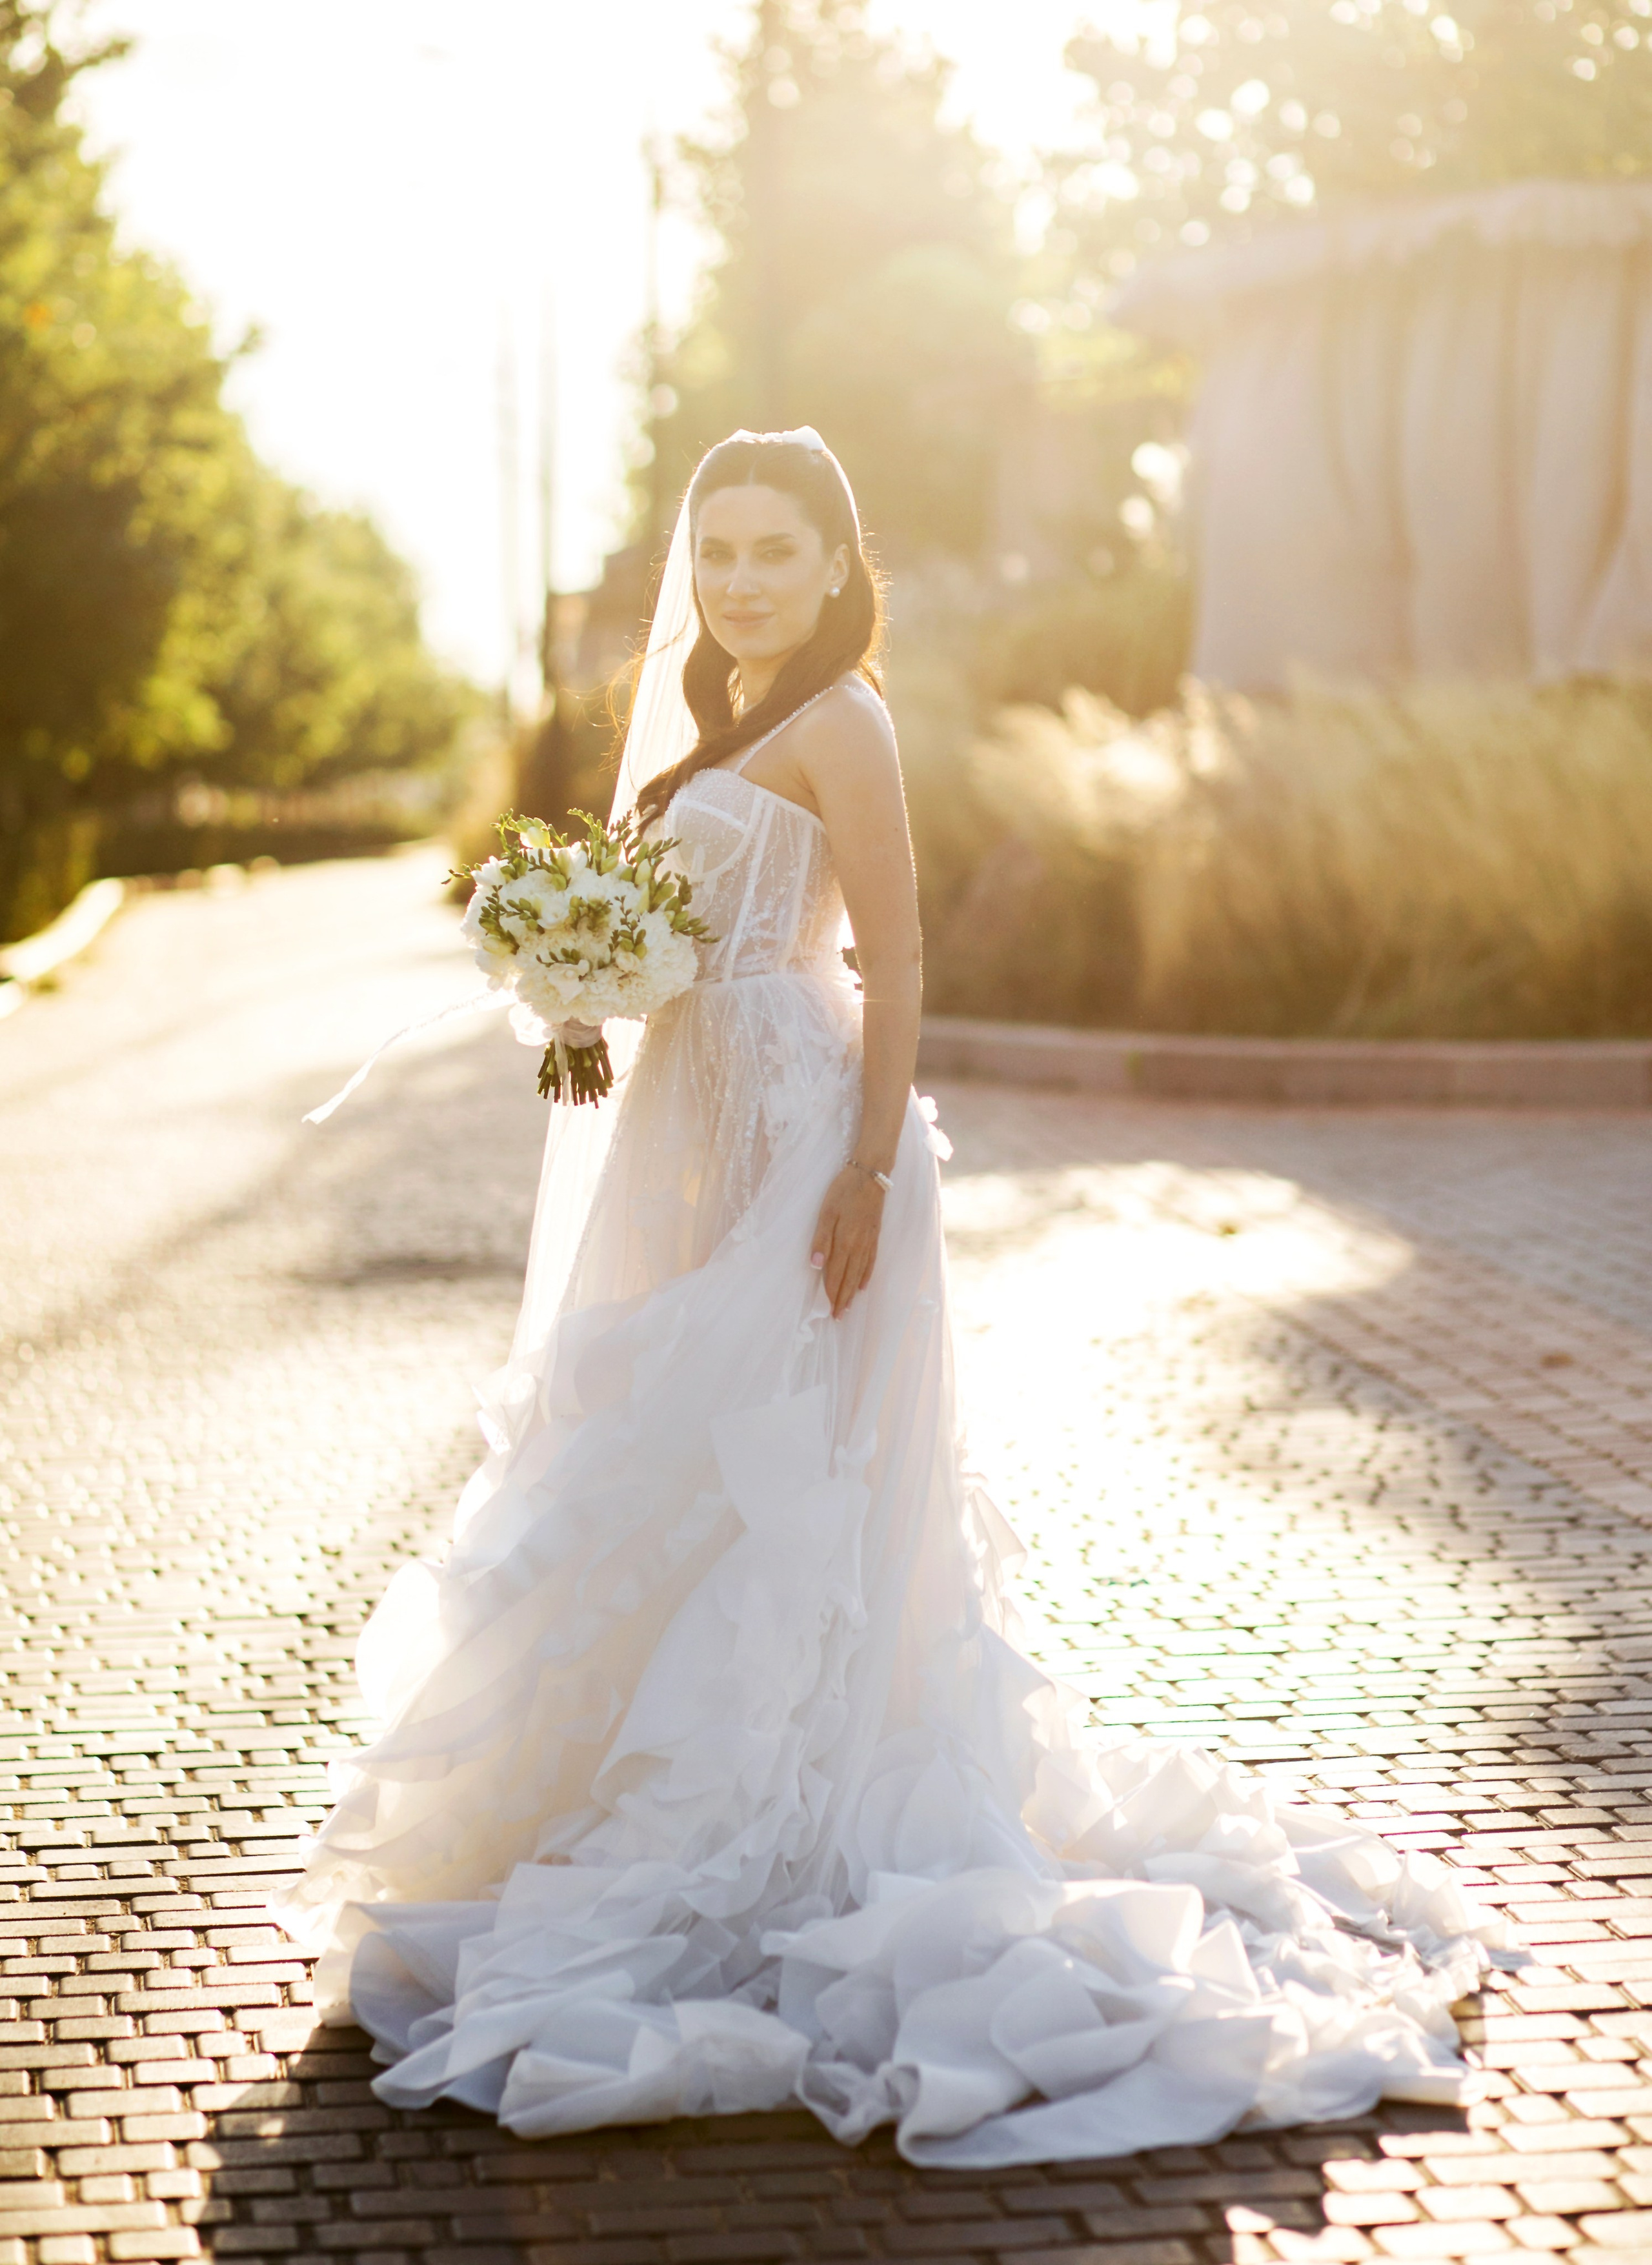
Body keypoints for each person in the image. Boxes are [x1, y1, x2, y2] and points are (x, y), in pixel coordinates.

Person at [281, 428, 1508, 2167]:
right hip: (699, 1125)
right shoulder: (706, 718)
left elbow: (899, 956)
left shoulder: (843, 720)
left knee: (785, 1481)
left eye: (777, 550)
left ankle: (778, 1810)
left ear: (839, 560)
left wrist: (859, 1169)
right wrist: (582, 983)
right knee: (668, 1458)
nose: (741, 580)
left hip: (811, 1137)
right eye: (718, 551)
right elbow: (679, 945)